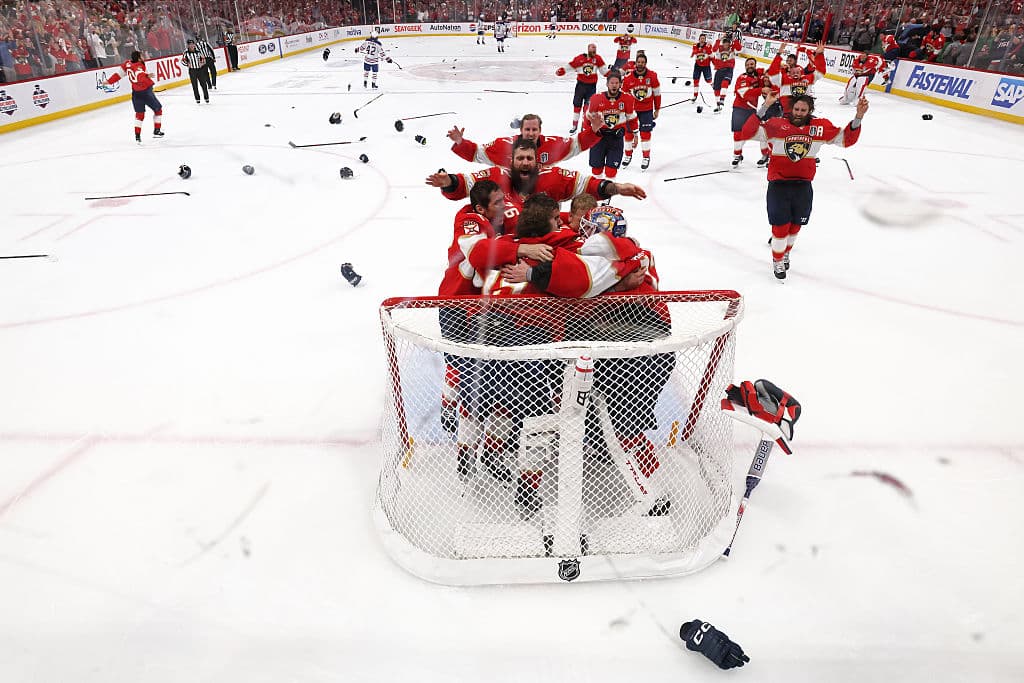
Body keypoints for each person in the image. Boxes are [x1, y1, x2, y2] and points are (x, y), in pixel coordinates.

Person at [492, 203, 674, 519]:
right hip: (648, 348)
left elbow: (579, 287)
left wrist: (534, 271)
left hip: (607, 345)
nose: (578, 233)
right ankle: (650, 487)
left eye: (586, 228)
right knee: (616, 423)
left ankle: (524, 479)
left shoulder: (580, 253)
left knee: (555, 414)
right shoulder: (634, 253)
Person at [436, 180, 554, 482]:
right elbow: (478, 252)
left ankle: (485, 451)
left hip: (484, 312)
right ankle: (454, 419)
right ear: (481, 208)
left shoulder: (497, 221)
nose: (505, 206)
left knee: (491, 388)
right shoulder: (470, 220)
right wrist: (523, 247)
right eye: (498, 203)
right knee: (466, 377)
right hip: (458, 307)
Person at [739, 91, 869, 280]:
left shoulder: (820, 128)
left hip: (803, 186)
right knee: (780, 226)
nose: (799, 113)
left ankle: (785, 253)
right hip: (779, 184)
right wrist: (765, 107)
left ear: (810, 111)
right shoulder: (776, 125)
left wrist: (858, 116)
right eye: (796, 109)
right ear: (791, 109)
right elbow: (747, 132)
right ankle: (777, 260)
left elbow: (845, 140)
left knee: (795, 225)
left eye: (803, 110)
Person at [425, 138, 647, 232]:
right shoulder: (496, 175)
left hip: (546, 246)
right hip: (503, 249)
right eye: (520, 158)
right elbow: (465, 184)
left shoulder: (553, 177)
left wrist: (618, 188)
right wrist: (449, 182)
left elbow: (588, 185)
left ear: (536, 162)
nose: (525, 163)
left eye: (529, 158)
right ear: (511, 161)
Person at [447, 111, 604, 167]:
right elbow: (477, 154)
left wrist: (594, 130)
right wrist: (461, 142)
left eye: (534, 129)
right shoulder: (503, 146)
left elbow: (577, 145)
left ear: (540, 131)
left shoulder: (553, 144)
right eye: (527, 129)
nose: (530, 133)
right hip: (514, 204)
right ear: (521, 130)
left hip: (545, 206)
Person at [100, 50, 164, 144]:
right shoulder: (139, 66)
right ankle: (157, 131)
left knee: (139, 115)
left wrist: (109, 81)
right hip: (146, 93)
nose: (143, 57)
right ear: (138, 58)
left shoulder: (127, 64)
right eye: (141, 56)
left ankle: (137, 136)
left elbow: (118, 75)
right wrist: (147, 75)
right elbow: (139, 75)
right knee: (158, 109)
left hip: (136, 94)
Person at [586, 70, 638, 178]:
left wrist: (636, 134)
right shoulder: (596, 98)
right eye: (612, 83)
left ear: (620, 84)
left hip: (616, 138)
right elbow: (588, 118)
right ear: (607, 84)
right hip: (599, 137)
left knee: (611, 172)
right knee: (596, 170)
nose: (614, 85)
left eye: (616, 83)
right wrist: (587, 134)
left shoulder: (627, 99)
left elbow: (632, 118)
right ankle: (597, 188)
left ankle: (609, 189)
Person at [555, 43, 609, 133]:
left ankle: (584, 126)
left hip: (591, 87)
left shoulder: (598, 59)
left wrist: (612, 74)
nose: (594, 52)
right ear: (588, 50)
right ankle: (574, 126)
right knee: (577, 105)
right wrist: (562, 70)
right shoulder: (579, 58)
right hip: (580, 86)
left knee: (588, 108)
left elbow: (604, 71)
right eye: (592, 50)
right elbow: (570, 66)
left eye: (595, 50)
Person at [621, 52, 661, 170]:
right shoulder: (628, 78)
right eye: (638, 62)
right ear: (636, 63)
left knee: (645, 133)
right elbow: (623, 96)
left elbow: (657, 93)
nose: (640, 64)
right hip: (631, 110)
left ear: (645, 63)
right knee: (628, 133)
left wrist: (657, 109)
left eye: (642, 62)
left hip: (647, 110)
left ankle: (646, 157)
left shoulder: (652, 76)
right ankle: (628, 155)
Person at [730, 58, 772, 168]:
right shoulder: (742, 78)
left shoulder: (758, 76)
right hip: (739, 109)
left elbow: (769, 73)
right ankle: (737, 155)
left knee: (762, 132)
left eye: (752, 64)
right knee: (738, 133)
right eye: (748, 64)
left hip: (752, 110)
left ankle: (766, 154)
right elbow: (744, 94)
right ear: (745, 66)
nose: (750, 66)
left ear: (755, 65)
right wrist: (761, 90)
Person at [767, 41, 826, 114]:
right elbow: (772, 74)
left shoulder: (807, 78)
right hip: (788, 113)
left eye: (797, 72)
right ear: (789, 73)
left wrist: (820, 55)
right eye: (793, 72)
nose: (795, 73)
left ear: (801, 73)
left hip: (804, 113)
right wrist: (778, 54)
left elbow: (820, 72)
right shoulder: (784, 79)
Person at [711, 29, 744, 113]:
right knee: (716, 89)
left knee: (725, 82)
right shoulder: (719, 48)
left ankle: (722, 100)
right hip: (719, 70)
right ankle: (718, 105)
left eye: (728, 43)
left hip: (728, 69)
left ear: (730, 43)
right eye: (725, 43)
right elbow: (713, 49)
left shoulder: (732, 48)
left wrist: (734, 39)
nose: (726, 45)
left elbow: (739, 48)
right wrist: (719, 39)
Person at [181, 39, 210, 104]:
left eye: (192, 44)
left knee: (204, 85)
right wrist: (187, 64)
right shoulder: (186, 53)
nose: (191, 45)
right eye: (190, 44)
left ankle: (206, 98)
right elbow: (182, 61)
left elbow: (203, 59)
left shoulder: (198, 51)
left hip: (200, 70)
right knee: (195, 85)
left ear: (194, 45)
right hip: (192, 71)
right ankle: (197, 99)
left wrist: (202, 63)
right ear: (188, 45)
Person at [691, 33, 714, 106]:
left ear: (705, 39)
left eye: (704, 38)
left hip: (706, 66)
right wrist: (693, 54)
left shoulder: (708, 46)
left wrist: (714, 63)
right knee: (695, 80)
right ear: (699, 39)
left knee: (708, 80)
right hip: (697, 65)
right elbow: (694, 51)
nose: (702, 39)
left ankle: (712, 83)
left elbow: (711, 55)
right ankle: (695, 95)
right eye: (701, 38)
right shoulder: (695, 45)